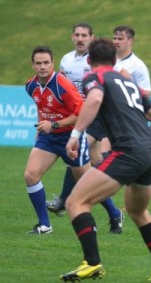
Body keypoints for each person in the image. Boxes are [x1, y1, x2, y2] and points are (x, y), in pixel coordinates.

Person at [59, 38, 151, 281]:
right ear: (114, 60)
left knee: (75, 203)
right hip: (150, 152)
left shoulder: (95, 77)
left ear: (89, 61)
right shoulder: (130, 83)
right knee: (138, 211)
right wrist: (146, 147)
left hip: (128, 151)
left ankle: (92, 263)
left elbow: (95, 99)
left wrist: (75, 135)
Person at [47, 22, 124, 234]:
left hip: (97, 115)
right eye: (77, 35)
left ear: (91, 37)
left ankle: (63, 199)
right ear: (72, 37)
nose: (80, 38)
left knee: (75, 154)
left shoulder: (100, 61)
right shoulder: (66, 59)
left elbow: (115, 81)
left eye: (84, 35)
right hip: (77, 116)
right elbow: (62, 89)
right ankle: (115, 214)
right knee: (90, 167)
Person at [24, 46, 90, 234]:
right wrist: (41, 127)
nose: (43, 66)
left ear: (53, 64)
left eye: (46, 63)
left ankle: (114, 213)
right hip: (48, 137)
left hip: (71, 137)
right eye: (39, 63)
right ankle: (45, 225)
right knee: (30, 175)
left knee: (88, 180)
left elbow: (81, 114)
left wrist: (53, 125)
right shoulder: (31, 86)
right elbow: (41, 105)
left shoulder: (63, 85)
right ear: (33, 65)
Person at [112, 25, 151, 98]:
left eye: (120, 39)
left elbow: (147, 94)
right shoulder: (106, 59)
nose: (116, 42)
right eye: (114, 38)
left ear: (130, 41)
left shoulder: (138, 66)